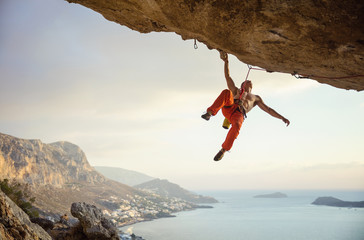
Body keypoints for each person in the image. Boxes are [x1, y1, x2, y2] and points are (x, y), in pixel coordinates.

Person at [201, 51, 290, 161]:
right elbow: (227, 77)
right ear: (242, 85)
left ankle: (223, 150)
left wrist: (282, 117)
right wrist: (226, 62)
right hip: (230, 107)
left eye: (250, 82)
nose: (249, 81)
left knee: (237, 125)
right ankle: (210, 113)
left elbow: (268, 110)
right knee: (226, 92)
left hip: (238, 114)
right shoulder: (237, 91)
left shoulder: (256, 98)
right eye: (247, 81)